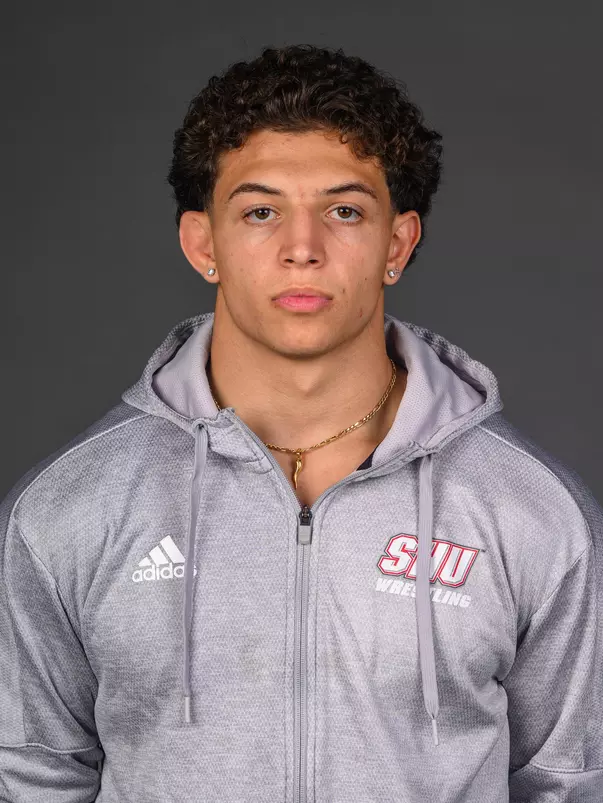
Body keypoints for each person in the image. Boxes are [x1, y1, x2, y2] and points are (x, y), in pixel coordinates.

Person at [1, 43, 601, 803]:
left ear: (398, 242)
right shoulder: (70, 507)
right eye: (259, 211)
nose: (301, 249)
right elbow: (28, 779)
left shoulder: (530, 509)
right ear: (201, 242)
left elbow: (572, 786)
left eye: (344, 210)